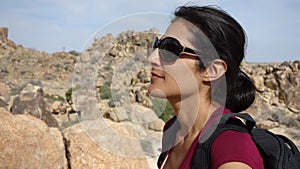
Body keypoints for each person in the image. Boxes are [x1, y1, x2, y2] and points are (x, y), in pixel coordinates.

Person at [147, 5, 264, 169]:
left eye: (171, 48)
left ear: (212, 70)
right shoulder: (173, 130)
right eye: (157, 45)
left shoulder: (230, 145)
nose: (152, 58)